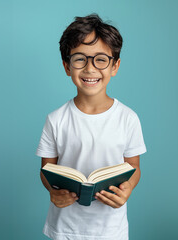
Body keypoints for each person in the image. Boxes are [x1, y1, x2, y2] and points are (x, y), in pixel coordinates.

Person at [36, 13, 147, 240]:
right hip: (65, 227)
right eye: (80, 59)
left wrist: (128, 189)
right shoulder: (56, 119)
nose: (90, 68)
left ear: (114, 65)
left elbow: (134, 168)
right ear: (67, 66)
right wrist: (52, 192)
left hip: (111, 229)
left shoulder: (128, 118)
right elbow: (46, 170)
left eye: (101, 59)